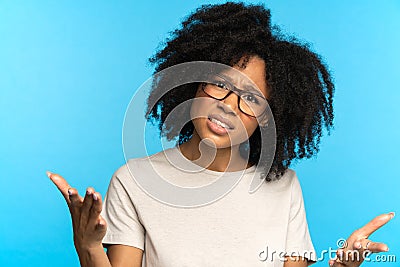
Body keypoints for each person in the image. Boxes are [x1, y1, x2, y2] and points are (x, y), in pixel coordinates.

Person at [48, 2, 394, 267]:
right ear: (194, 84)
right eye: (220, 84)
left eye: (251, 99)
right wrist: (89, 246)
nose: (229, 105)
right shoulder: (135, 180)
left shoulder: (285, 186)